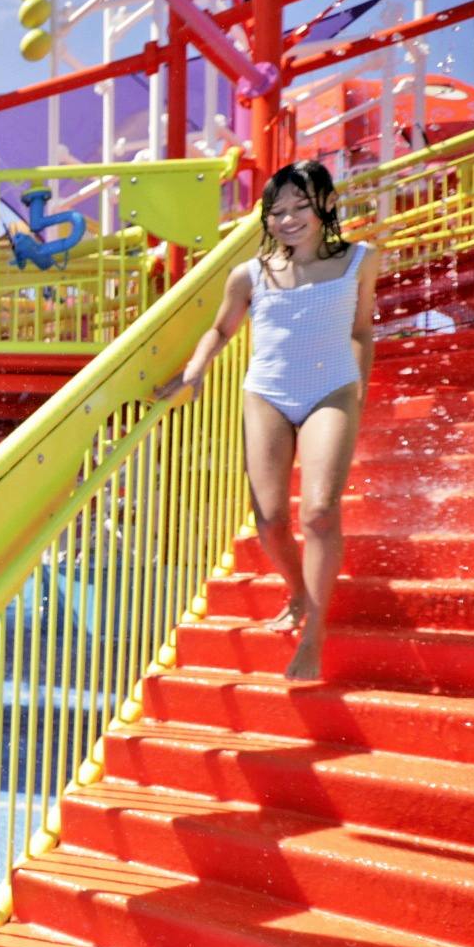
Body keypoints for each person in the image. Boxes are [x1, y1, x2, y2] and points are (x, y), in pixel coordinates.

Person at [157, 160, 380, 681]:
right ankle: (298, 591)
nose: (288, 219)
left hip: (332, 390)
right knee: (270, 519)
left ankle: (315, 631)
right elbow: (220, 330)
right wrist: (194, 371)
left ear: (327, 204)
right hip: (267, 395)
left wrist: (360, 385)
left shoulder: (361, 260)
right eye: (277, 211)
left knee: (319, 512)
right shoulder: (249, 274)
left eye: (301, 206)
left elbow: (361, 330)